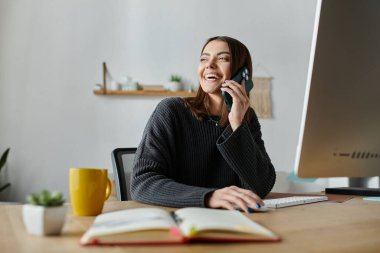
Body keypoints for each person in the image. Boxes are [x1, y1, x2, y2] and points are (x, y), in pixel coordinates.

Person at [131, 36, 276, 213]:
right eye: (204, 59)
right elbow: (142, 183)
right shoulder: (171, 111)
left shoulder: (246, 118)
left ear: (242, 73)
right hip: (178, 222)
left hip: (231, 223)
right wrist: (210, 197)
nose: (209, 64)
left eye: (222, 58)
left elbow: (260, 187)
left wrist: (237, 124)